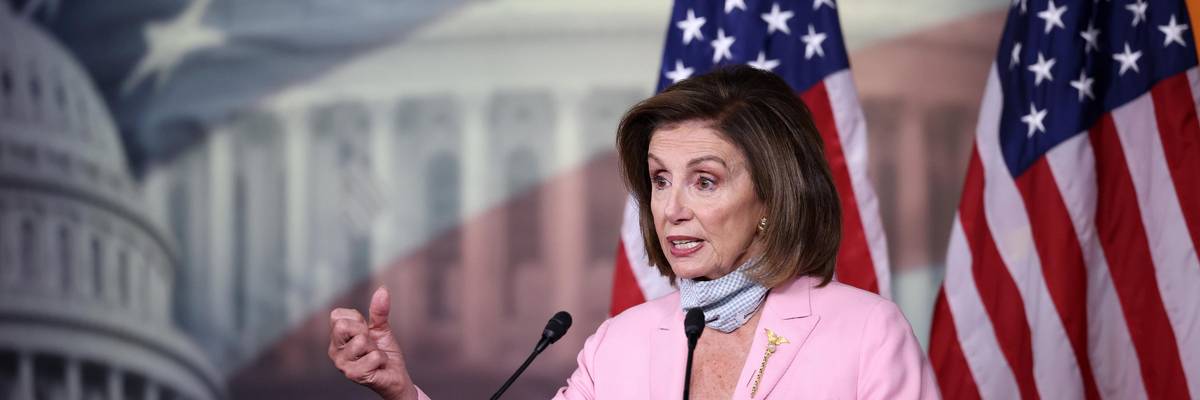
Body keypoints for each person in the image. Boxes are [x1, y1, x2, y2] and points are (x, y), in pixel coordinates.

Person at [328, 65, 939, 399]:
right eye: (659, 180)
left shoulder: (867, 334)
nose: (670, 208)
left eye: (704, 181)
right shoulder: (620, 342)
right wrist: (403, 394)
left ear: (772, 200)